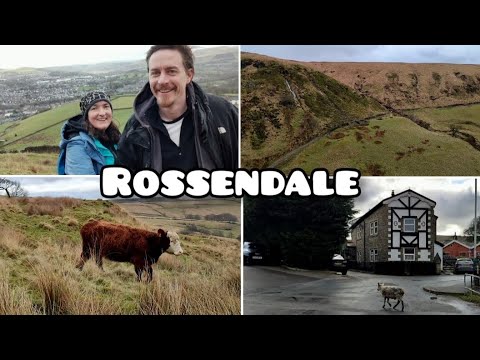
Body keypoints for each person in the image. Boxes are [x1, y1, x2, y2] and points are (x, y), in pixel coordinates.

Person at [116, 45, 238, 173]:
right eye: (155, 73)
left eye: (171, 71)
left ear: (189, 75)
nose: (162, 80)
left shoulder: (222, 113)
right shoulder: (135, 127)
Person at [57, 91, 121, 175]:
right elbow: (84, 185)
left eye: (106, 107)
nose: (102, 113)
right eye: (94, 108)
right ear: (86, 115)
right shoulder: (77, 145)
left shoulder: (114, 136)